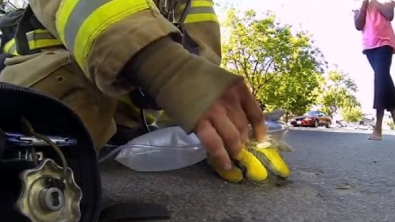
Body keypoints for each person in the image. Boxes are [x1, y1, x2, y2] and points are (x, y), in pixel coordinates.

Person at [0, 0, 290, 183]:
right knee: (54, 139)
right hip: (56, 76)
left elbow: (201, 67)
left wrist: (209, 133)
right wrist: (166, 68)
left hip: (128, 109)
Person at [354, 0, 395, 140]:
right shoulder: (358, 4)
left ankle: (378, 127)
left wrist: (373, 1)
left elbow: (389, 15)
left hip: (385, 42)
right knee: (384, 81)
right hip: (369, 46)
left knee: (380, 78)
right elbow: (358, 25)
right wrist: (365, 3)